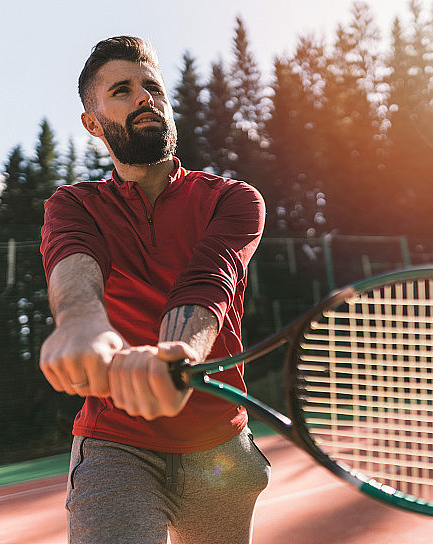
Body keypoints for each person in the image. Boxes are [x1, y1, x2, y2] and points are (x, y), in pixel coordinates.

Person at [39, 36, 270, 544]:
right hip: (115, 449)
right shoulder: (74, 205)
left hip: (220, 451)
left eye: (152, 87)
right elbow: (75, 265)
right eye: (122, 90)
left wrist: (179, 354)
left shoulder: (233, 199)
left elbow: (210, 279)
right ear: (93, 123)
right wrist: (81, 325)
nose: (145, 97)